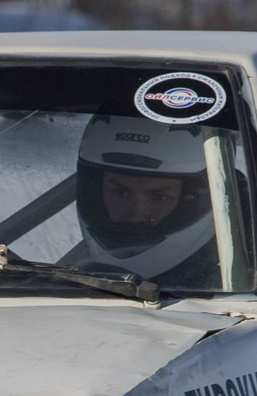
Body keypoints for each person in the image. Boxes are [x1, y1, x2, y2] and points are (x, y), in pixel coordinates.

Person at [65, 115, 226, 289]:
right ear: (94, 191)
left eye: (159, 198)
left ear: (193, 200)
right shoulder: (60, 275)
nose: (136, 215)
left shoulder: (235, 281)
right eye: (121, 192)